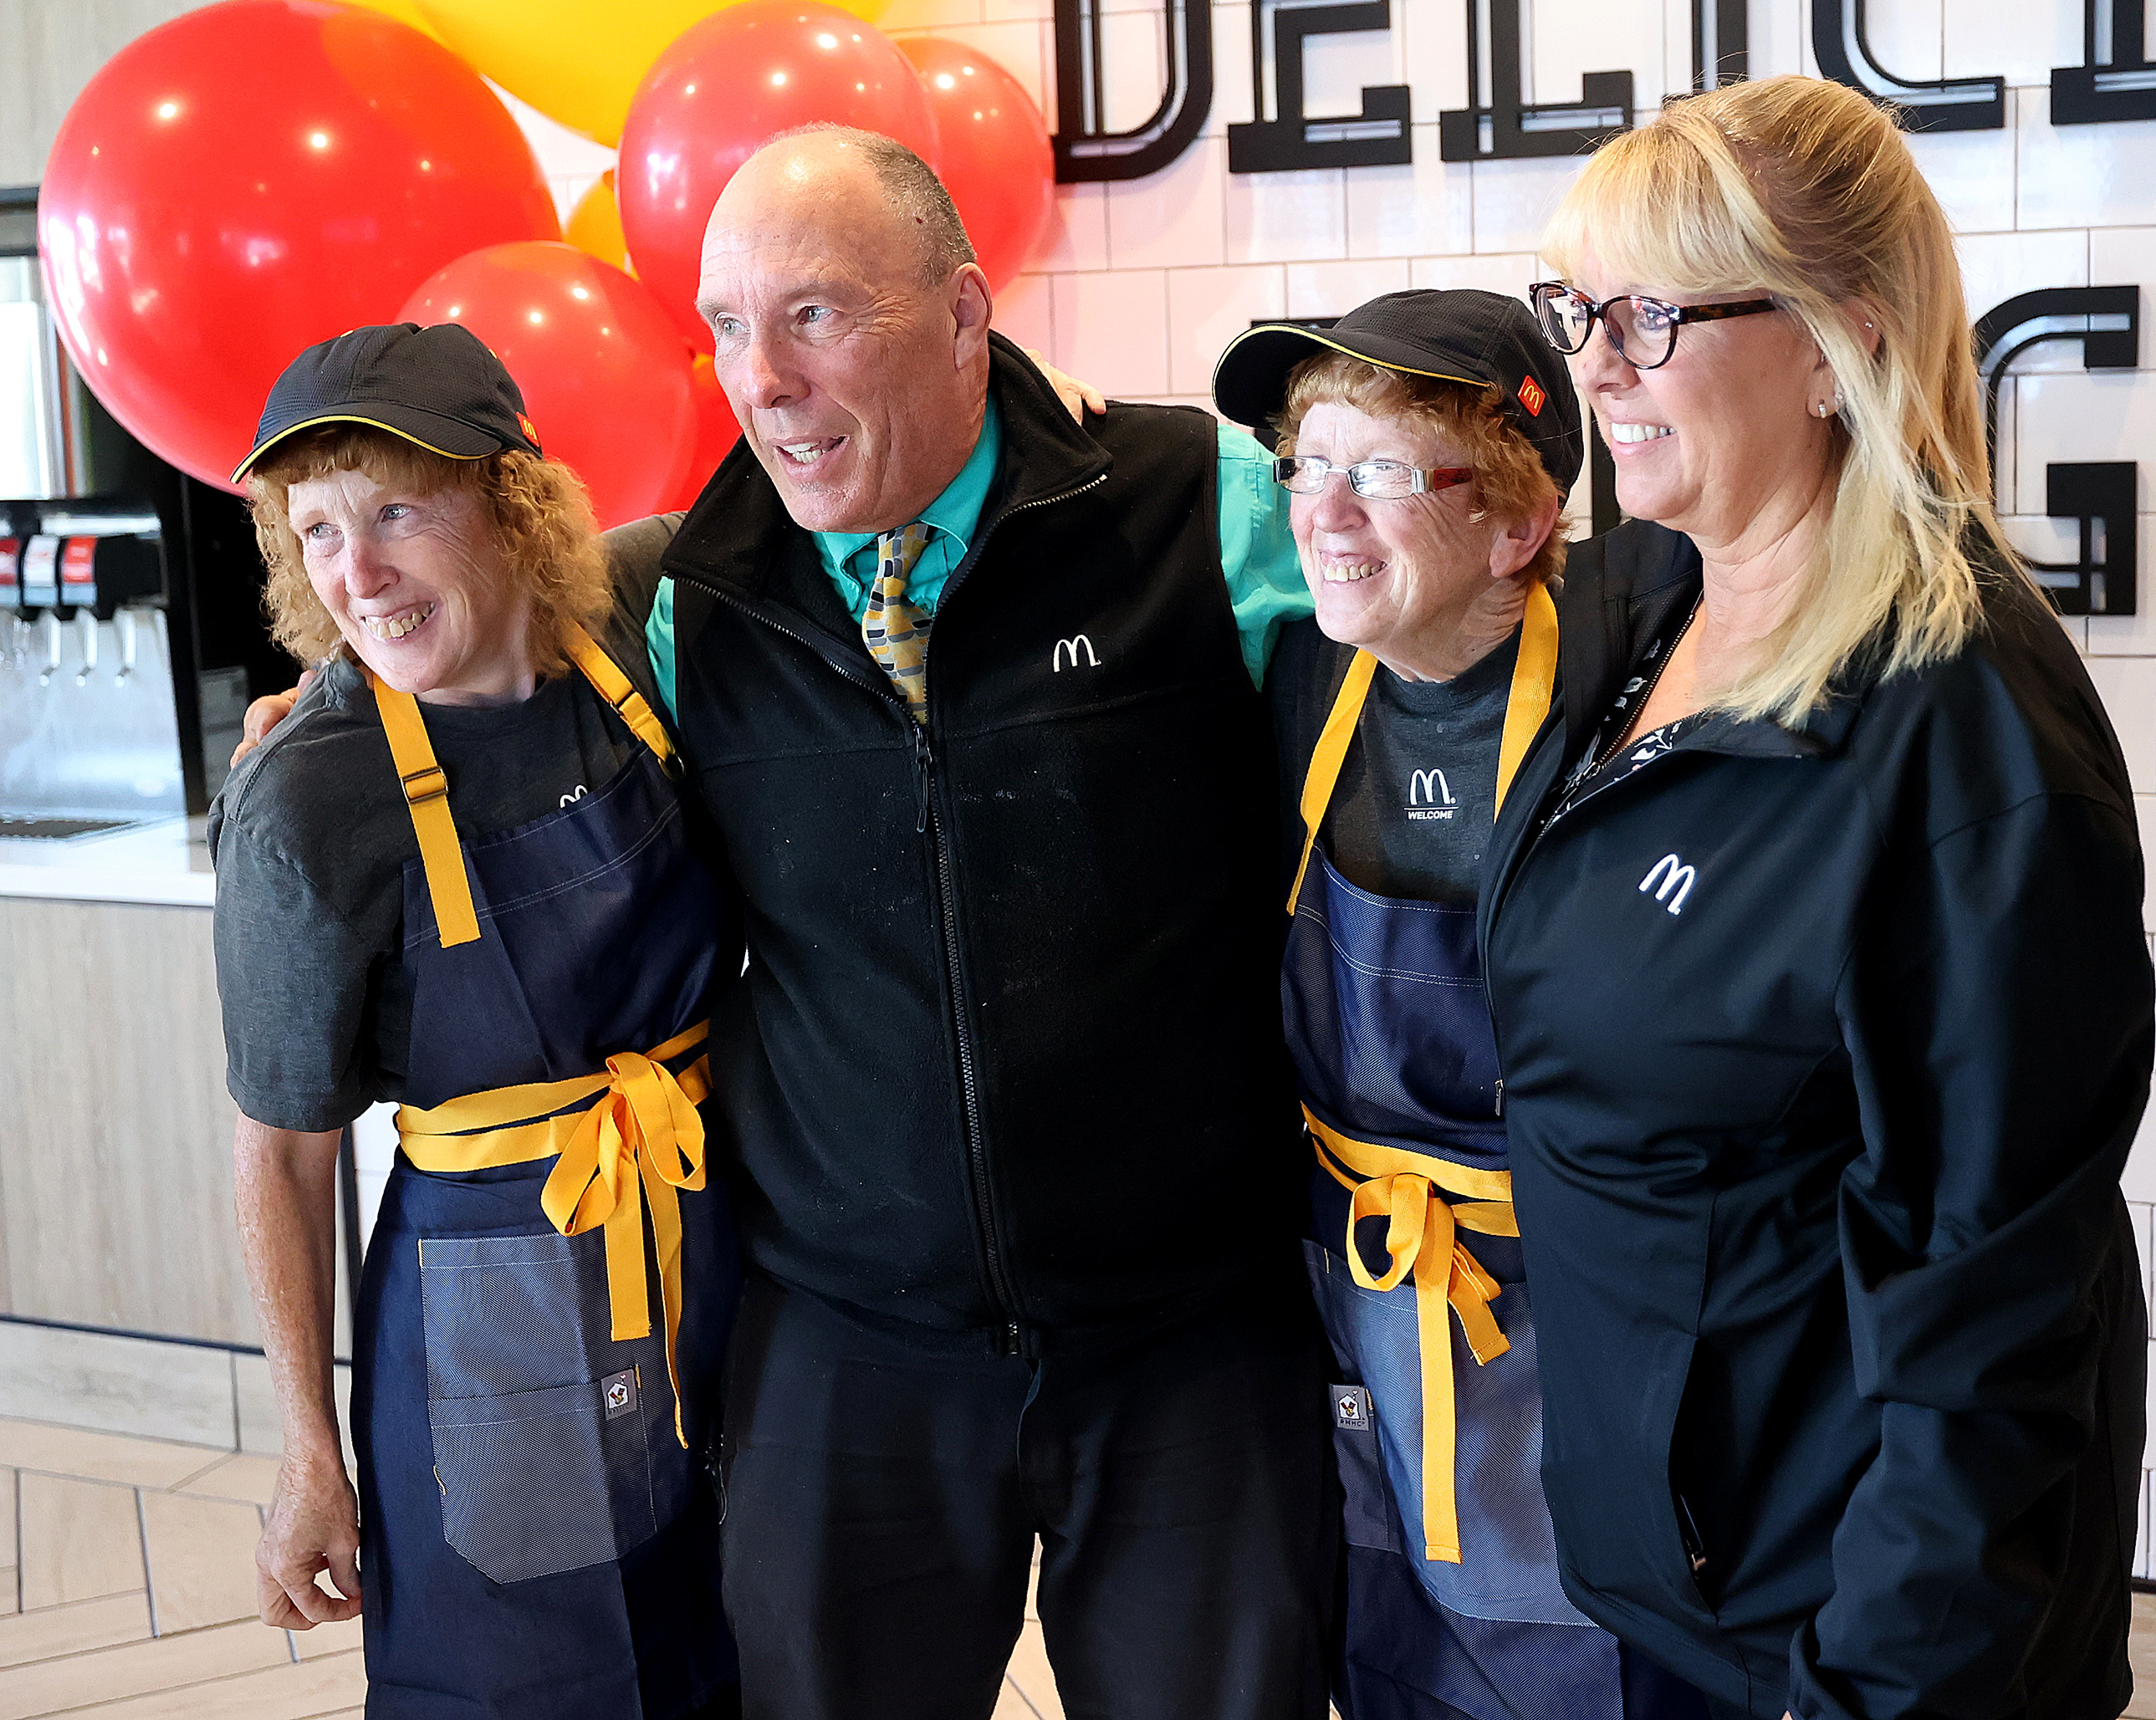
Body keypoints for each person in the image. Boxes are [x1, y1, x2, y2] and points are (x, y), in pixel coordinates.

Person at [1478, 76, 2153, 1720]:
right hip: (1684, 1583)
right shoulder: (1656, 601)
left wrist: (1872, 1689)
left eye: (1650, 317)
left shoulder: (1964, 734)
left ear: (1838, 341)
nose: (1594, 369)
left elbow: (1995, 1314)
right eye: (1578, 312)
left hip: (1841, 1641)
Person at [646, 125, 1334, 1718]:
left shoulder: (1199, 504)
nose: (763, 380)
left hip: (1189, 1328)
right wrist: (336, 708)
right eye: (728, 327)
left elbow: (1452, 599)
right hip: (849, 1338)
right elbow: (472, 627)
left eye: (815, 315)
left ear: (965, 312)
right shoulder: (697, 599)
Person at [214, 323, 740, 1718]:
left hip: (718, 1233)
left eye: (398, 512)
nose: (358, 574)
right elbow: (282, 1154)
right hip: (493, 1306)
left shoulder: (635, 610)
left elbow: (819, 475)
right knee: (530, 1678)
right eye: (319, 531)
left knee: (734, 1637)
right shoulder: (307, 797)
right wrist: (308, 1455)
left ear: (514, 501)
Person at [1213, 291, 1706, 1720]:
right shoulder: (1299, 679)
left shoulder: (1649, 669)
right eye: (1310, 464)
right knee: (1394, 1645)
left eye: (1380, 472)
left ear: (1519, 524)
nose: (1323, 515)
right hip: (1363, 1294)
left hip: (1572, 1314)